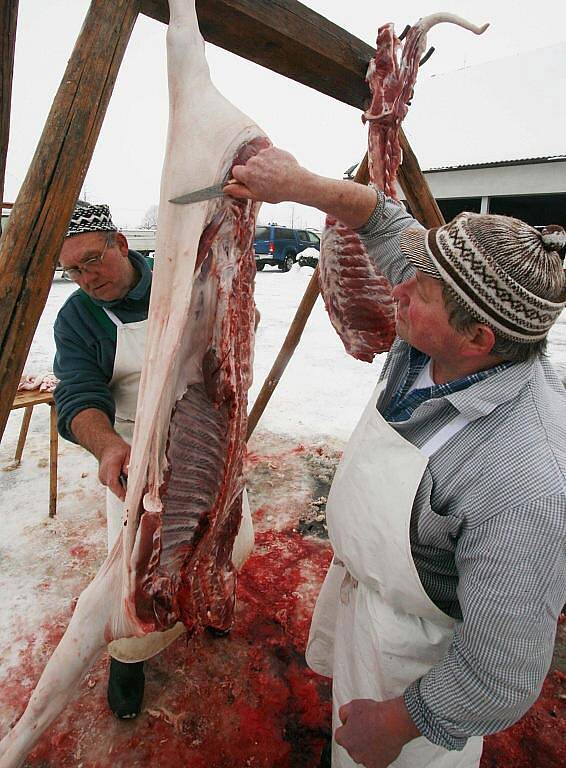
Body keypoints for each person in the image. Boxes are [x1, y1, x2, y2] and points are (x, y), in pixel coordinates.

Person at [224, 147, 566, 768]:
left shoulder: (523, 476)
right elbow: (383, 221)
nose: (397, 287)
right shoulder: (445, 336)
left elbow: (502, 671)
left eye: (420, 291)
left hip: (423, 663)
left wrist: (401, 722)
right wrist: (300, 183)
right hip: (366, 602)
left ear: (478, 338)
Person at [53, 201, 254, 720]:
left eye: (92, 260)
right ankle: (129, 656)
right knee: (134, 573)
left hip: (206, 439)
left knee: (231, 539)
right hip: (134, 453)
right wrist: (108, 447)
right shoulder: (77, 318)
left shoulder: (182, 272)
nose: (85, 278)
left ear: (121, 242)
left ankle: (202, 603)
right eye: (72, 270)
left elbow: (232, 334)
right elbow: (77, 395)